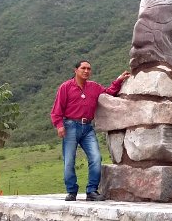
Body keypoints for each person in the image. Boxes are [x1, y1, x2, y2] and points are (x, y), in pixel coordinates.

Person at [51, 60, 130, 201]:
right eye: (83, 68)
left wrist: (118, 81)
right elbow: (57, 109)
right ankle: (71, 191)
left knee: (96, 158)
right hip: (70, 126)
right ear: (75, 70)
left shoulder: (94, 87)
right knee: (69, 160)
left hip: (87, 127)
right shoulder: (65, 87)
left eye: (89, 69)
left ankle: (92, 191)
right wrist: (59, 125)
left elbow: (108, 93)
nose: (86, 71)